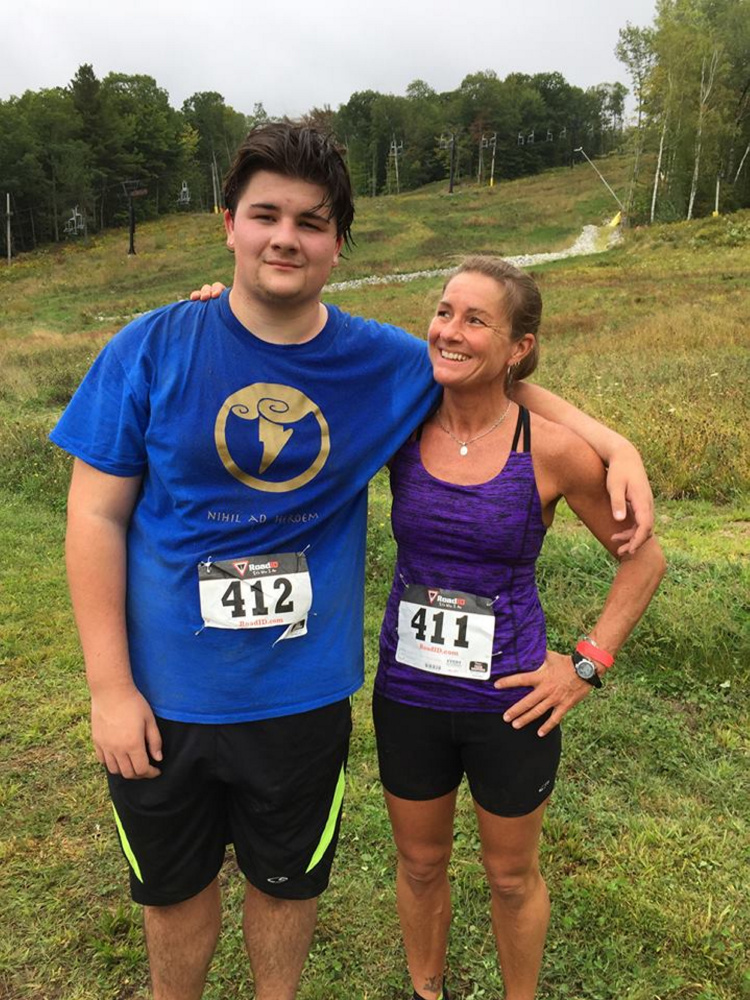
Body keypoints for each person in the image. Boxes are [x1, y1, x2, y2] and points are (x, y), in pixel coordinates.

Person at [51, 123, 653, 1000]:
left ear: (338, 243)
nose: (285, 236)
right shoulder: (151, 345)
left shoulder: (384, 362)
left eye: (311, 220)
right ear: (229, 224)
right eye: (265, 215)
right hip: (164, 696)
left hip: (301, 695)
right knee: (174, 896)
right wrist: (109, 689)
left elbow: (496, 376)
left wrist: (612, 439)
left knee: (285, 886)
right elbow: (95, 515)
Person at [372, 256, 666, 1000]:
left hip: (511, 700)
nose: (451, 330)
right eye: (444, 312)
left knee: (509, 875)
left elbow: (644, 562)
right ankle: (426, 990)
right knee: (419, 864)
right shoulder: (402, 418)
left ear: (519, 346)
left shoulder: (552, 449)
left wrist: (586, 663)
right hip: (408, 693)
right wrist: (218, 305)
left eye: (477, 320)